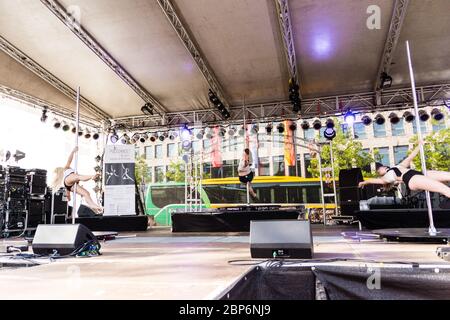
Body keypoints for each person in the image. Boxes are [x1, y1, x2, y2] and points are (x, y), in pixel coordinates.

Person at [359, 141, 450, 205]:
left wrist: (419, 145)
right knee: (445, 189)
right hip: (412, 179)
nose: (381, 168)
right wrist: (364, 182)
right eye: (378, 170)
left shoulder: (398, 166)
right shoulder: (385, 178)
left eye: (380, 167)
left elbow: (410, 157)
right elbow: (373, 180)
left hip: (418, 173)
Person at [50, 147, 103, 214]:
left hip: (70, 185)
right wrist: (73, 151)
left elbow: (68, 194)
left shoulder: (67, 175)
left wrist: (68, 197)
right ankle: (92, 176)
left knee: (86, 193)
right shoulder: (66, 168)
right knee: (78, 177)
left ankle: (94, 206)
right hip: (69, 180)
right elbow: (69, 160)